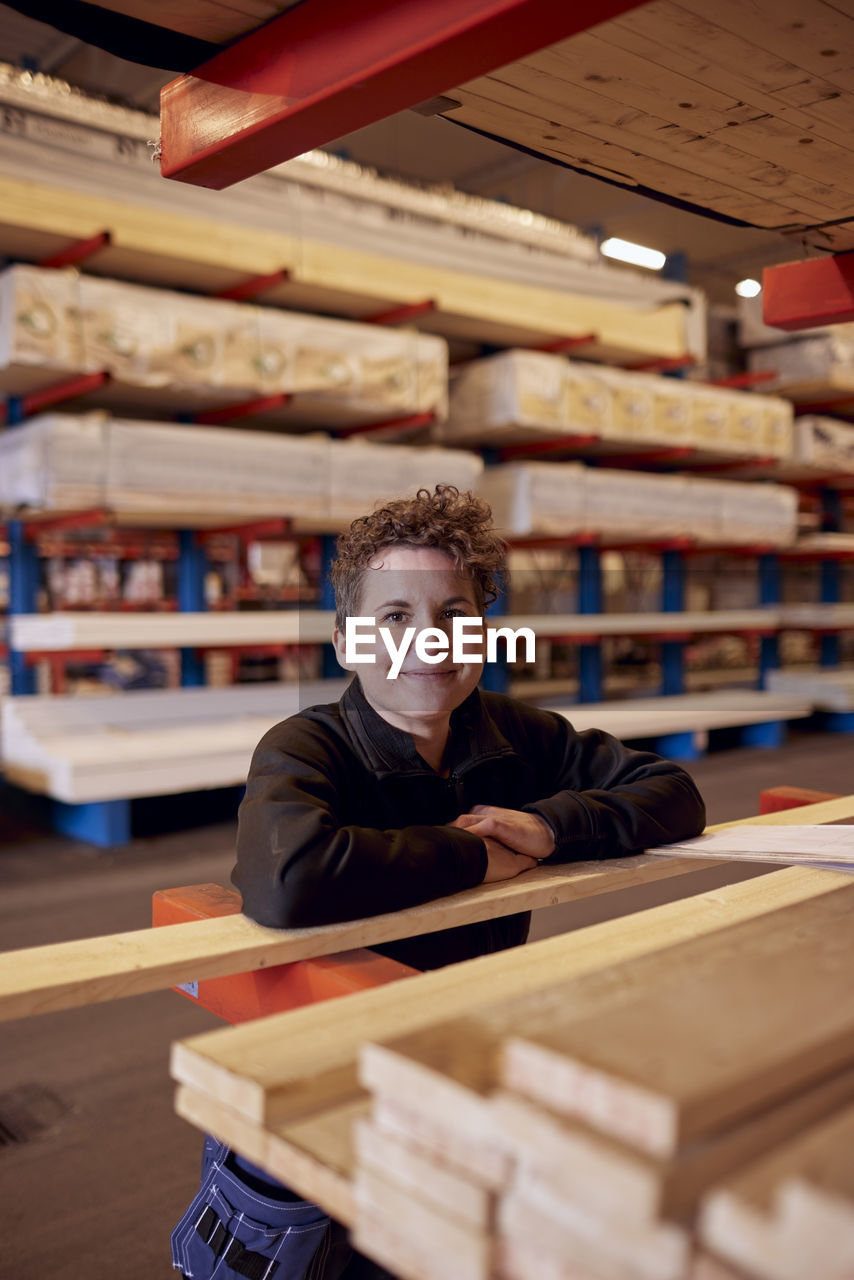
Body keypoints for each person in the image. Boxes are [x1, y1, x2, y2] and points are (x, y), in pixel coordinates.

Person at [172, 484, 706, 1279]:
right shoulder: (306, 746)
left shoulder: (515, 736)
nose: (429, 642)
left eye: (456, 614)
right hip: (328, 1084)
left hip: (463, 1064)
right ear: (348, 641)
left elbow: (673, 792)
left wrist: (555, 824)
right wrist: (473, 856)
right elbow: (288, 878)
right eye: (394, 618)